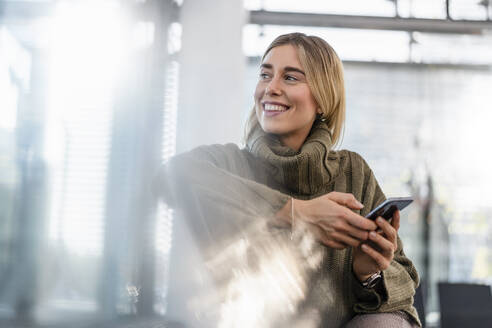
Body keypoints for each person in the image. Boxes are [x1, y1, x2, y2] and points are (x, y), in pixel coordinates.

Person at [154, 33, 420, 327]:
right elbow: (170, 176)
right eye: (265, 75)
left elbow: (404, 282)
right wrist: (294, 212)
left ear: (322, 98)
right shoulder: (227, 164)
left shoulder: (352, 171)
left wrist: (368, 275)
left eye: (290, 78)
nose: (270, 88)